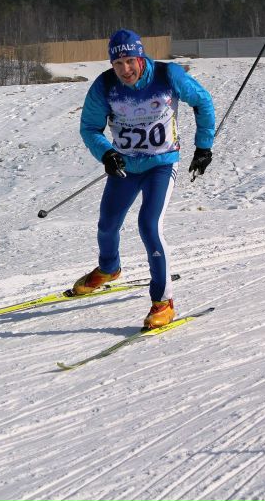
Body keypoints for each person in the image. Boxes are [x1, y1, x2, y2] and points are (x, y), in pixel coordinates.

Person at [72, 29, 215, 329]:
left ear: (141, 57)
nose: (125, 69)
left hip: (161, 165)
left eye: (130, 61)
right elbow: (90, 128)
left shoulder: (168, 76)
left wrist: (203, 146)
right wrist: (106, 153)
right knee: (107, 224)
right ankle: (109, 269)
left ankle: (163, 302)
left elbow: (202, 101)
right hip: (125, 167)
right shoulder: (105, 86)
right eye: (118, 63)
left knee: (148, 225)